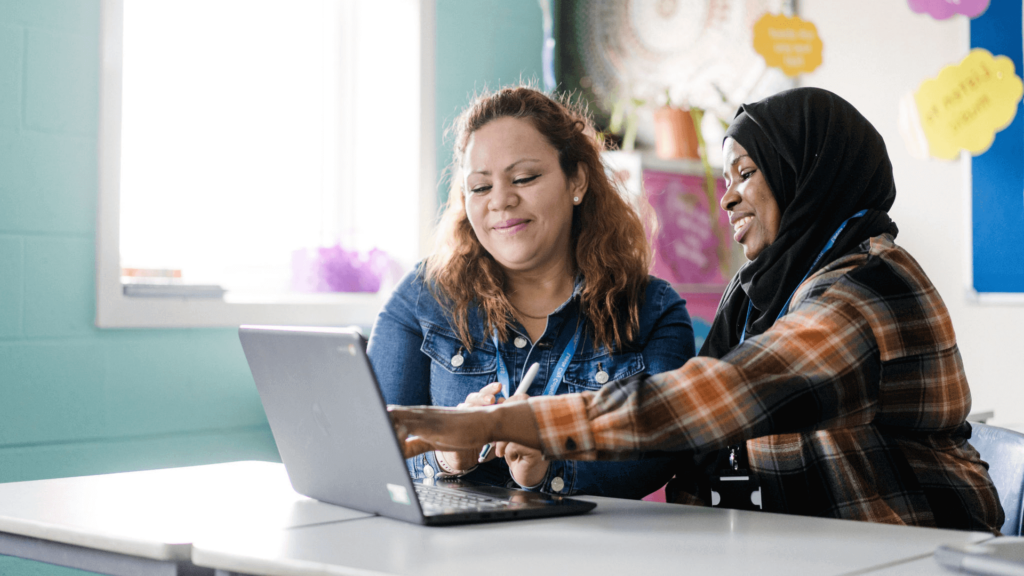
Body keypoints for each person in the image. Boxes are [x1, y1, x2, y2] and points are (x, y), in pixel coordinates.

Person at [389, 87, 1005, 533]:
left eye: (746, 171)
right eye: (724, 174)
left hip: (904, 552)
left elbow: (704, 401)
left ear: (805, 174)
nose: (726, 194)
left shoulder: (869, 289)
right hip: (805, 549)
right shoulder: (768, 291)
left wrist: (501, 424)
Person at [367, 86, 696, 499]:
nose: (501, 200)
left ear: (576, 180)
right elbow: (369, 447)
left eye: (524, 178)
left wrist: (548, 467)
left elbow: (662, 449)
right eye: (481, 187)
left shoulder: (652, 309)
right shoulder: (422, 298)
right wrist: (448, 456)